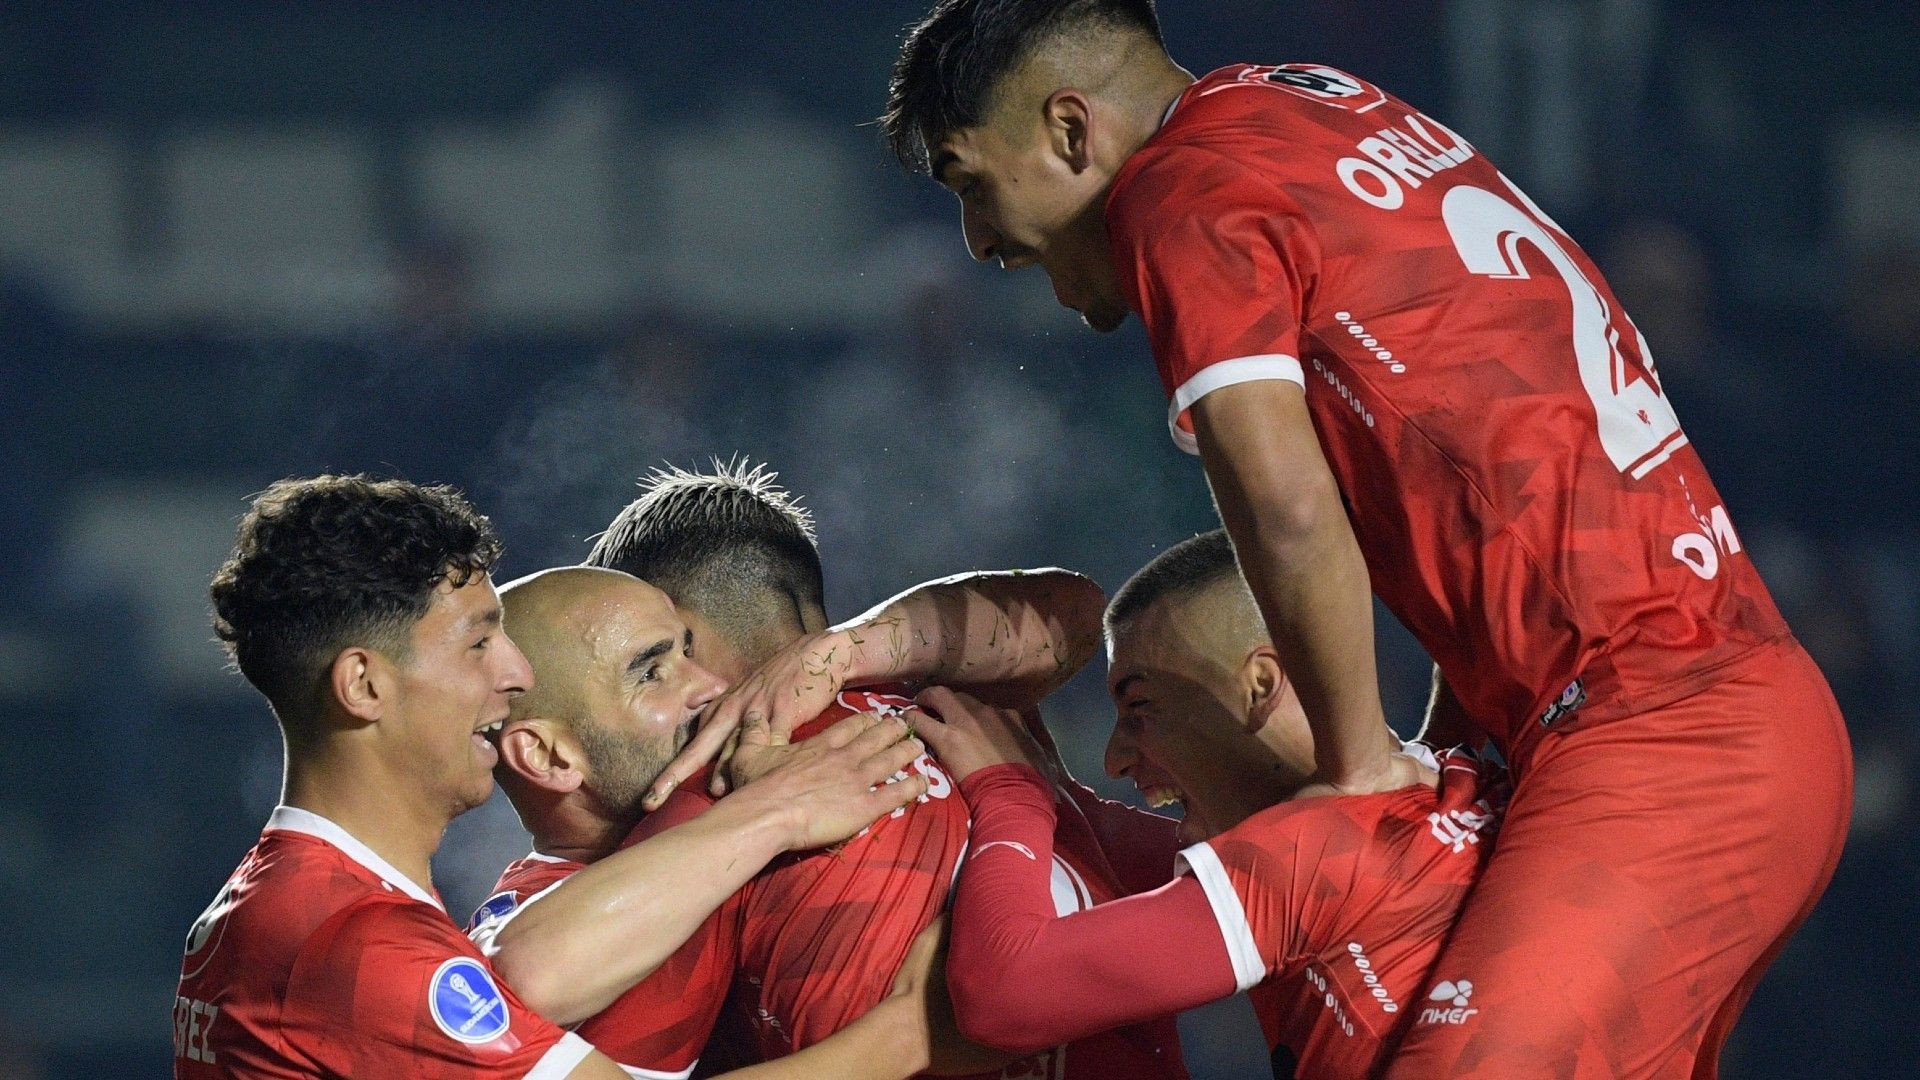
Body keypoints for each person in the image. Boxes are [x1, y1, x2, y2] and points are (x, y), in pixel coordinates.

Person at [875, 3, 1853, 1075]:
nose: (977, 241)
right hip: (1677, 720)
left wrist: (1359, 777)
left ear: (1072, 130)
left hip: (1664, 739)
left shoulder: (1180, 188)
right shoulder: (1310, 106)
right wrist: (1441, 757)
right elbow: (1470, 480)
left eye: (972, 184)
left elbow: (1286, 507)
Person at [592, 461, 1187, 1077]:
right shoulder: (973, 711)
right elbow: (1075, 611)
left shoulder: (717, 799)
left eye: (643, 661)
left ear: (678, 633)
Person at [911, 530, 1503, 1079]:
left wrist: (1009, 791)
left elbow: (1000, 995)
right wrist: (1059, 799)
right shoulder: (1447, 780)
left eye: (1140, 706)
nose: (1115, 757)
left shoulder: (1314, 854)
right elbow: (1137, 865)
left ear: (1260, 688)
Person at [176, 475, 622, 1078]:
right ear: (363, 685)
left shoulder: (281, 899)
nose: (518, 673)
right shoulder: (358, 940)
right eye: (479, 642)